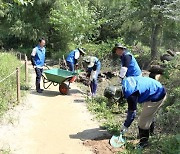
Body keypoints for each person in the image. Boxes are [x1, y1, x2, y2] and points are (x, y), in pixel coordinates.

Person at [118, 76, 166, 148]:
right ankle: (151, 134)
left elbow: (132, 113)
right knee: (148, 114)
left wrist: (126, 125)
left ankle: (144, 142)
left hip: (157, 94)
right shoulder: (124, 82)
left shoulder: (131, 95)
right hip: (154, 89)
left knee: (143, 121)